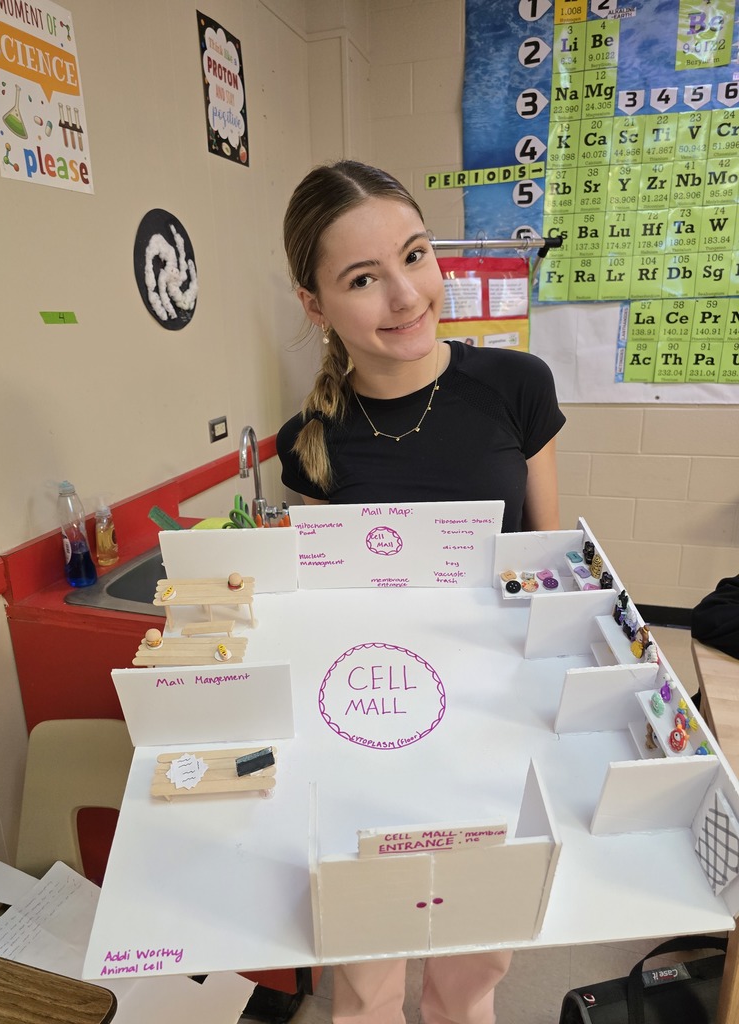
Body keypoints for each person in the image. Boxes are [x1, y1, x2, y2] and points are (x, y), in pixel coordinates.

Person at [276, 160, 565, 1024]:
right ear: (315, 305)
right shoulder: (309, 442)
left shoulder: (516, 388)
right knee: (365, 978)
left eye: (415, 256)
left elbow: (547, 561)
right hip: (366, 731)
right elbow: (317, 607)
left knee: (475, 967)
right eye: (364, 278)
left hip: (492, 722)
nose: (405, 295)